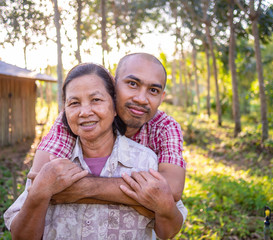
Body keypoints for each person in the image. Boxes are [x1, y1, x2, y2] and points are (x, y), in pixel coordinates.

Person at [4, 63, 187, 239]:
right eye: (74, 103)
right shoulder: (55, 160)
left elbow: (168, 221)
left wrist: (81, 189)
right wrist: (40, 191)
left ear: (114, 106)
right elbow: (36, 186)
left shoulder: (148, 160)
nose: (84, 112)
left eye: (96, 100)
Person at [27, 53, 186, 211]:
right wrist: (144, 201)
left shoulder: (165, 127)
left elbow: (171, 190)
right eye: (132, 84)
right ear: (114, 85)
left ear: (162, 97)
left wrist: (85, 189)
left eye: (153, 90)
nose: (141, 99)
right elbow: (38, 182)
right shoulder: (82, 118)